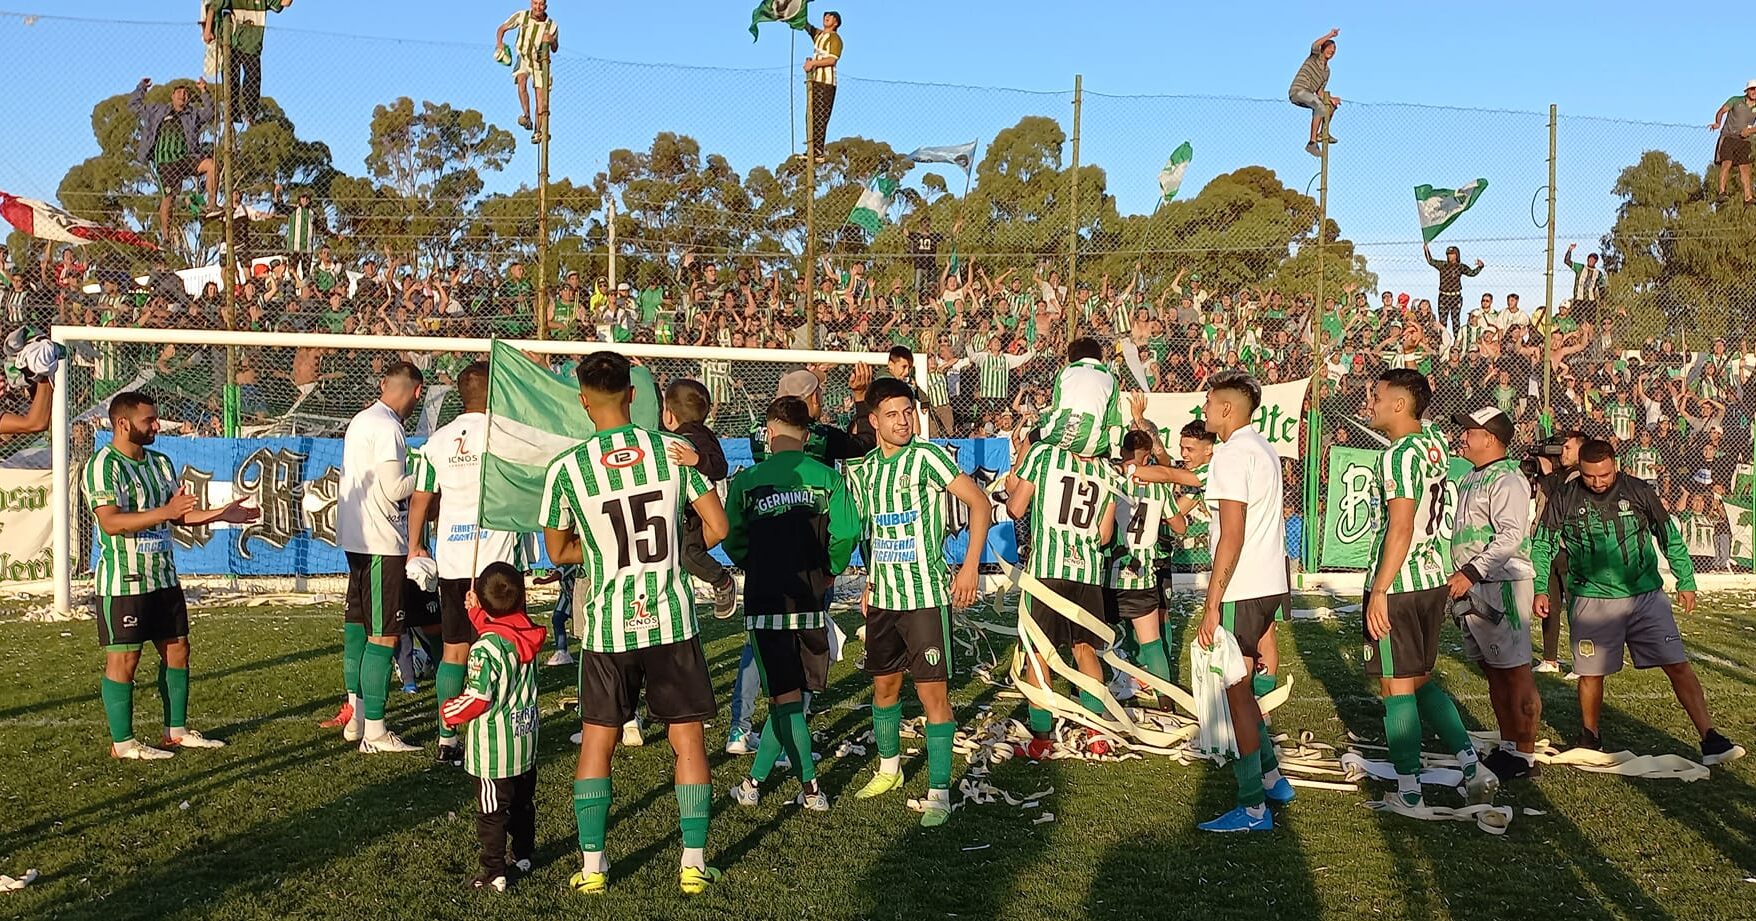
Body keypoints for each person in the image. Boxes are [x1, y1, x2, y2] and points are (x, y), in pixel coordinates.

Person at [540, 351, 730, 895]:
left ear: (583, 401)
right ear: (633, 395)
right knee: (686, 740)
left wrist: (601, 551)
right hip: (669, 620)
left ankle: (593, 868)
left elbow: (559, 548)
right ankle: (693, 864)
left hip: (607, 626)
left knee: (598, 740)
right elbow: (716, 526)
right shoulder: (675, 452)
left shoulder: (568, 468)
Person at [1532, 440, 1745, 765]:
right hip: (1592, 599)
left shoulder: (1638, 491)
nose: (1598, 482)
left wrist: (1685, 579)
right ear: (1581, 471)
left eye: (1604, 474)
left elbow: (1667, 534)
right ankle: (1590, 736)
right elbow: (1543, 543)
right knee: (1590, 673)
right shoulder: (1566, 496)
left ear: (1615, 465)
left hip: (1645, 597)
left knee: (1677, 664)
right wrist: (1540, 587)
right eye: (1590, 476)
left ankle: (1710, 738)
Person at [845, 377, 991, 827]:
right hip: (884, 598)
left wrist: (969, 567)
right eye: (892, 414)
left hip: (925, 596)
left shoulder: (927, 457)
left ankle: (940, 790)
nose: (904, 420)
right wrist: (871, 581)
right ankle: (889, 768)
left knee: (933, 694)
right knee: (885, 687)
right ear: (874, 421)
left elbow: (980, 504)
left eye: (908, 412)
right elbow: (875, 535)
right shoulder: (865, 470)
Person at [86, 391, 258, 758]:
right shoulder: (103, 465)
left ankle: (176, 731)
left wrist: (220, 515)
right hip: (124, 580)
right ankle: (123, 743)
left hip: (163, 577)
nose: (156, 426)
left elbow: (177, 515)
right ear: (122, 424)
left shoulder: (161, 463)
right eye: (148, 420)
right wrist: (165, 511)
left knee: (178, 650)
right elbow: (111, 522)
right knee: (125, 659)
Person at [1361, 369, 1498, 813]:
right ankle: (1472, 767)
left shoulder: (1398, 455)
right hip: (1432, 580)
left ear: (1400, 404)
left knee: (1395, 687)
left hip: (1399, 583)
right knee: (1419, 681)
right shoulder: (1434, 443)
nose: (1372, 402)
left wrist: (1379, 590)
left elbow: (1401, 526)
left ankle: (1409, 793)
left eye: (1378, 396)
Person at [725, 396, 861, 814]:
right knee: (794, 699)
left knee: (786, 701)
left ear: (768, 434)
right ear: (808, 436)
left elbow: (732, 540)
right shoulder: (827, 479)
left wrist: (755, 561)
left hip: (766, 602)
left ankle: (811, 788)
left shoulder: (747, 482)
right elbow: (847, 534)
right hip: (809, 601)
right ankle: (754, 782)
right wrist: (830, 568)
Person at [1183, 372, 1295, 832]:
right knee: (1243, 689)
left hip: (1242, 588)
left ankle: (1252, 807)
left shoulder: (1230, 454)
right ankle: (1273, 780)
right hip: (1268, 583)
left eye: (1209, 403)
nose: (1204, 410)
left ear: (1228, 408)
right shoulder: (1264, 448)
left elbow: (1231, 535)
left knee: (1236, 697)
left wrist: (1212, 603)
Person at [407, 361, 521, 765]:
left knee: (454, 650)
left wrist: (415, 545)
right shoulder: (506, 435)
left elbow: (421, 498)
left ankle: (447, 737)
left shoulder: (437, 441)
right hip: (497, 562)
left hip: (454, 559)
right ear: (496, 392)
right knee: (504, 644)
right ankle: (501, 723)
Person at [1005, 405, 1118, 762]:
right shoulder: (1107, 471)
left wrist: (1013, 488)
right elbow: (1104, 534)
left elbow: (1016, 509)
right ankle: (1097, 733)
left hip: (1047, 572)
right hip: (1086, 572)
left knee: (1039, 654)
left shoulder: (1043, 456)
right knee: (1084, 649)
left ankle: (1041, 738)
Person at [1446, 407, 1543, 781]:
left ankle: (1525, 754)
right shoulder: (1473, 476)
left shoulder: (1508, 480)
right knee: (1494, 670)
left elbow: (1510, 536)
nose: (1464, 437)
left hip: (1502, 585)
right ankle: (1507, 747)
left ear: (1490, 439)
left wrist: (1471, 571)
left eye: (1470, 432)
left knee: (1515, 671)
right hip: (1477, 586)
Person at [439, 562, 544, 892]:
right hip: (524, 741)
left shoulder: (484, 649)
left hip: (493, 751)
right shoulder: (525, 633)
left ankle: (494, 870)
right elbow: (501, 628)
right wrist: (477, 614)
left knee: (491, 813)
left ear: (484, 602)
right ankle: (524, 854)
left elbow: (478, 699)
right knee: (523, 804)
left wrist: (449, 712)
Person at [337, 362, 426, 754]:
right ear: (417, 392)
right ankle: (374, 731)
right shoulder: (390, 427)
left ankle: (356, 718)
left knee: (358, 626)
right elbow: (394, 489)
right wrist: (425, 471)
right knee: (384, 634)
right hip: (380, 541)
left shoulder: (362, 419)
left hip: (357, 540)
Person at [662, 378, 738, 619]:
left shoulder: (698, 438)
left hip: (695, 514)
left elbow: (720, 467)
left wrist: (697, 460)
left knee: (688, 555)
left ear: (669, 414)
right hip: (677, 512)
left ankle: (722, 581)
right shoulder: (674, 437)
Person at [128, 77, 220, 238]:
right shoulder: (158, 110)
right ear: (172, 96)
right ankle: (166, 237)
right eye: (178, 92)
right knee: (169, 197)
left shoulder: (192, 114)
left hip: (187, 158)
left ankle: (212, 204)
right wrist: (141, 87)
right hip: (166, 162)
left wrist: (204, 91)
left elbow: (210, 113)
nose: (182, 95)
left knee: (211, 165)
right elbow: (134, 106)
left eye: (185, 93)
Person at [1533, 430, 1586, 674]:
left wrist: (1548, 474)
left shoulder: (1580, 475)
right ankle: (1550, 658)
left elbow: (1561, 502)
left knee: (1576, 608)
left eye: (1567, 448)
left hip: (1570, 548)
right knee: (1550, 605)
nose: (1562, 453)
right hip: (1549, 546)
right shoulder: (1558, 475)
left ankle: (1582, 661)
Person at [1033, 337, 1124, 459]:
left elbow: (1056, 409)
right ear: (1099, 355)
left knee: (1030, 438)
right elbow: (1111, 422)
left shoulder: (1066, 371)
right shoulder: (1110, 377)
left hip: (1060, 435)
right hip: (1094, 445)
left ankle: (1015, 476)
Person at [203, 0, 291, 126]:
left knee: (253, 77)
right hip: (232, 43)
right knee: (230, 77)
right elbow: (213, 7)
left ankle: (251, 114)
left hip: (252, 45)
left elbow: (285, 3)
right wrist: (208, 29)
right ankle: (232, 115)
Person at [495, 0, 559, 143]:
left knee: (541, 99)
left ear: (545, 6)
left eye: (541, 4)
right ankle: (527, 117)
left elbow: (555, 48)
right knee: (521, 81)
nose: (538, 7)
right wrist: (500, 44)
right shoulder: (522, 16)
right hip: (523, 58)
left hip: (540, 63)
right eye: (535, 3)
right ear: (531, 4)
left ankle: (538, 131)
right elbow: (502, 29)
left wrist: (551, 41)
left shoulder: (551, 26)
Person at [1289, 27, 1341, 156]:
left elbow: (1320, 92)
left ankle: (1323, 132)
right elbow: (1315, 44)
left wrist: (1332, 99)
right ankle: (1312, 143)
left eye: (1333, 50)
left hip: (1310, 95)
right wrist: (1330, 35)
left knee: (1330, 106)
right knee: (1319, 105)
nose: (1331, 51)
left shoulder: (1326, 72)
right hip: (1298, 91)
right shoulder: (1314, 58)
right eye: (1329, 48)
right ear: (1323, 50)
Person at [802, 11, 842, 160]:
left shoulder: (835, 39)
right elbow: (807, 27)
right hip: (815, 82)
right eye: (826, 15)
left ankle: (819, 149)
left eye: (831, 16)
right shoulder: (818, 35)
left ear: (836, 22)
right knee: (810, 114)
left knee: (821, 115)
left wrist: (813, 64)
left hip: (827, 83)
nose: (827, 17)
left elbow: (832, 60)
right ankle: (811, 148)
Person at [1709, 80, 1756, 205]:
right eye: (1752, 89)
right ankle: (1721, 192)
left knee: (1745, 168)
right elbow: (1721, 111)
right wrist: (1718, 123)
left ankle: (1748, 197)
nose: (1754, 92)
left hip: (1744, 141)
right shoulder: (1735, 100)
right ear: (1747, 91)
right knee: (1727, 163)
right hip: (1728, 137)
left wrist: (1750, 131)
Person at [1423, 243, 1484, 333]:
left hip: (1456, 297)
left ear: (1456, 255)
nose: (1450, 256)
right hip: (1443, 296)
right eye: (1448, 254)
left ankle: (1457, 343)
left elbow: (1471, 273)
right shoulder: (1442, 265)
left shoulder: (1460, 266)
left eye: (1452, 254)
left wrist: (1480, 267)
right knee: (1442, 322)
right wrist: (1426, 250)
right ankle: (1442, 342)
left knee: (1455, 321)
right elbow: (1431, 261)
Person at [273, 184, 325, 279]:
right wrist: (277, 193)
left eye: (307, 198)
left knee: (306, 275)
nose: (305, 200)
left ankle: (305, 292)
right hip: (294, 247)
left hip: (307, 248)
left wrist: (333, 235)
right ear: (300, 199)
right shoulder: (293, 210)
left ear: (309, 200)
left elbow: (322, 227)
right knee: (293, 272)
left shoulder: (313, 213)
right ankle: (292, 291)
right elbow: (279, 207)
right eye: (303, 198)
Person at [1563, 244, 1607, 328]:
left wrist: (1602, 299)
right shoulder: (1580, 267)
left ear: (1596, 261)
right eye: (1590, 259)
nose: (1591, 261)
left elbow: (1601, 287)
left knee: (1591, 324)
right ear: (1587, 259)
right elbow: (1567, 261)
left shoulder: (1598, 273)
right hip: (1579, 299)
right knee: (1577, 322)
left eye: (1593, 260)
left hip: (1591, 301)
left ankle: (1590, 340)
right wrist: (1570, 250)